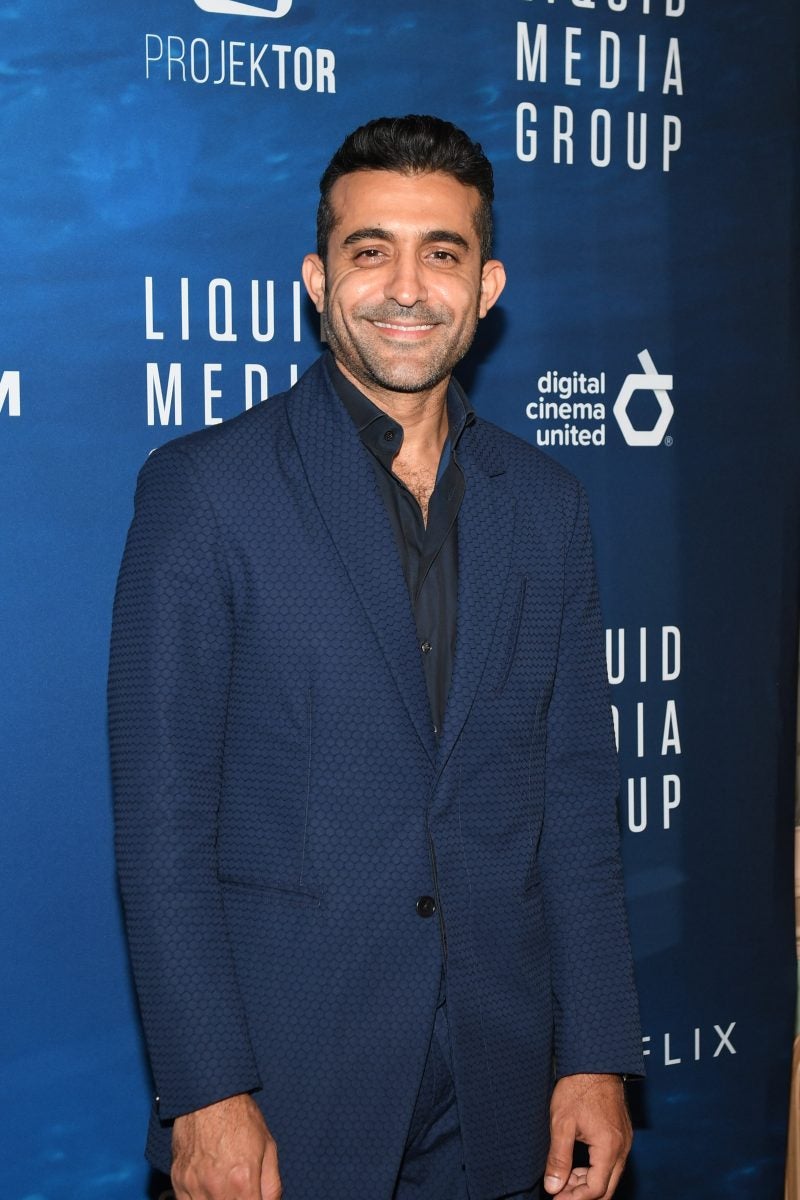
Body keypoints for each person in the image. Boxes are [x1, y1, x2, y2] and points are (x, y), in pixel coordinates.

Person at [109, 114, 643, 1200]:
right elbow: (162, 826)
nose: (406, 287)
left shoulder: (547, 508)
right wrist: (207, 1091)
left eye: (441, 252)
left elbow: (576, 803)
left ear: (485, 287)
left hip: (499, 1095)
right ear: (319, 281)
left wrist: (593, 1052)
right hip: (285, 1096)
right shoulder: (204, 490)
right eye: (370, 250)